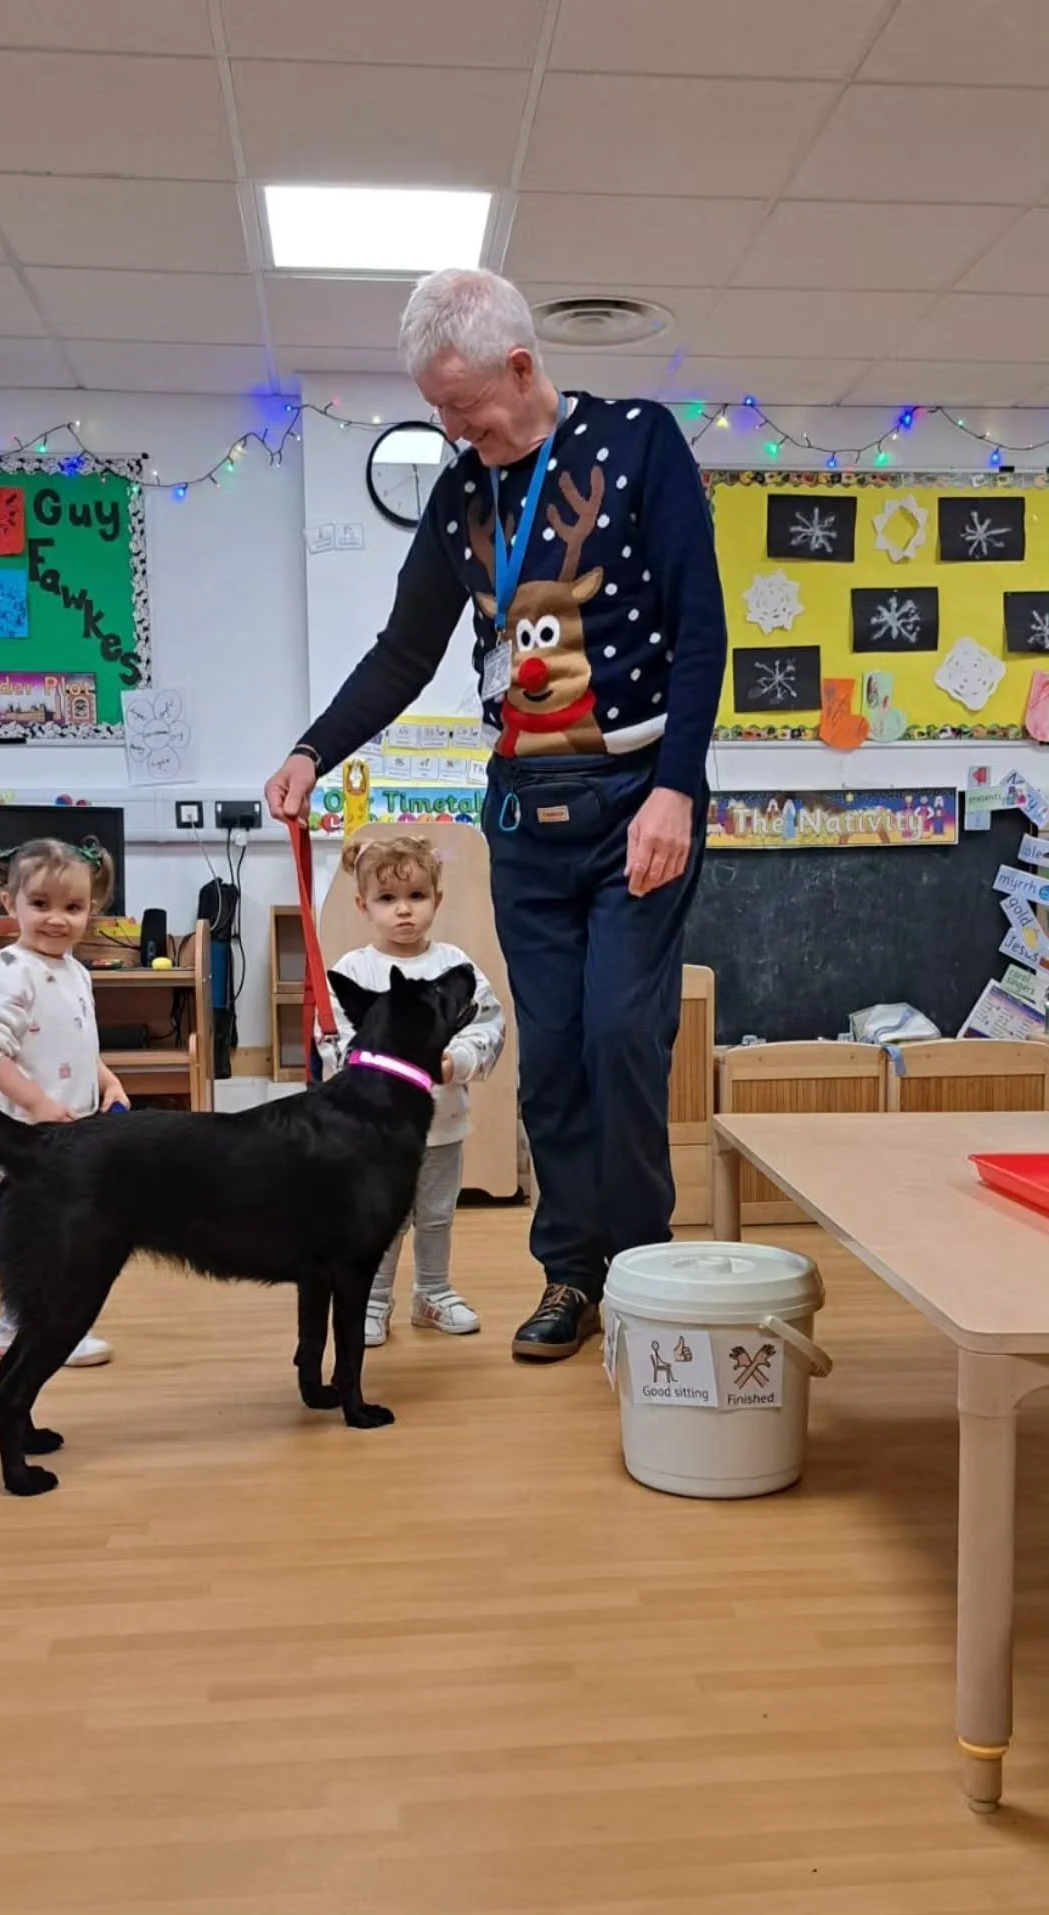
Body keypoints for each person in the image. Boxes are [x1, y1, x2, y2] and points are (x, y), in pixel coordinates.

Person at [266, 267, 727, 1364]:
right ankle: (572, 1272)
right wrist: (312, 748)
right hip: (526, 807)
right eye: (435, 407)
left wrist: (679, 786)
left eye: (460, 402)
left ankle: (645, 1266)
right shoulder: (462, 493)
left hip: (636, 799)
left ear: (521, 367)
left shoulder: (638, 443)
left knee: (623, 1034)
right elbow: (404, 650)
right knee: (555, 1053)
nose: (450, 425)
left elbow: (703, 626)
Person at [319, 834, 505, 1346]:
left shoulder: (455, 968)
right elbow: (334, 1041)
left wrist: (455, 1060)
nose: (403, 911)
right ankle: (373, 1300)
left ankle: (433, 1293)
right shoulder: (352, 972)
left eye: (416, 897)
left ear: (436, 901)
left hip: (441, 1125)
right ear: (364, 906)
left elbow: (486, 1025)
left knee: (437, 1214)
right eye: (387, 900)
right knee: (384, 1217)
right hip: (375, 1134)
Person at [0, 838, 128, 1367]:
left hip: (68, 1129)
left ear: (91, 910)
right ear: (9, 904)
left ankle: (18, 1323)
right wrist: (36, 1105)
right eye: (41, 905)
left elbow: (79, 1040)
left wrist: (107, 1080)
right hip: (28, 1131)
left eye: (73, 908)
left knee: (59, 1229)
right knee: (54, 1233)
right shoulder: (9, 969)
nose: (57, 920)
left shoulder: (75, 971)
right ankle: (48, 1326)